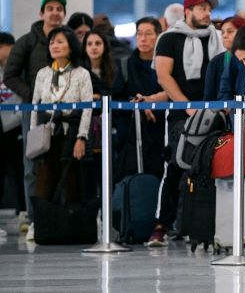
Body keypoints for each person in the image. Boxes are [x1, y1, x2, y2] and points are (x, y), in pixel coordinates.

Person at [147, 0, 224, 247]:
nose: (207, 13)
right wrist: (185, 105)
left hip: (213, 112)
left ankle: (206, 226)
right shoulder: (170, 38)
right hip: (182, 113)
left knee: (211, 167)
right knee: (176, 165)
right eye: (201, 8)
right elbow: (164, 76)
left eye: (209, 9)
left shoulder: (216, 38)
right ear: (187, 11)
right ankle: (161, 224)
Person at [3, 0, 66, 237]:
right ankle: (33, 217)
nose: (55, 13)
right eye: (50, 8)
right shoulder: (26, 42)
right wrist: (33, 96)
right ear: (42, 13)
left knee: (61, 162)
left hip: (64, 111)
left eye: (59, 9)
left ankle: (59, 214)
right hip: (34, 113)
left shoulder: (68, 39)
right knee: (32, 165)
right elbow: (10, 76)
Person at [30, 26, 93, 243]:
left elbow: (87, 108)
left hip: (70, 132)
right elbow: (35, 106)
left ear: (71, 46)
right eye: (52, 42)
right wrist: (33, 135)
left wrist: (81, 138)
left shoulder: (82, 73)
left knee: (71, 181)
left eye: (60, 41)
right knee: (43, 180)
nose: (55, 46)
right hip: (46, 133)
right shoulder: (43, 73)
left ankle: (71, 227)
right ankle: (41, 226)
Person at [111, 17, 168, 180]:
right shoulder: (126, 65)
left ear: (158, 36)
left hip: (161, 132)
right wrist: (136, 105)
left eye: (148, 34)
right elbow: (116, 98)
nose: (143, 38)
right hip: (132, 136)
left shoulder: (166, 65)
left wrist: (151, 103)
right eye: (139, 33)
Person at [81, 29, 115, 198]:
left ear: (105, 46)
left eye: (98, 43)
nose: (93, 47)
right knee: (88, 177)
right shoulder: (79, 71)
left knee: (108, 175)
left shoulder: (114, 70)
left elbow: (116, 95)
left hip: (110, 130)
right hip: (86, 130)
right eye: (89, 44)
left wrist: (98, 97)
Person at [0, 32, 24, 236]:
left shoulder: (19, 70)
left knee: (20, 171)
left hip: (16, 126)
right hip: (1, 127)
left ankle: (24, 213)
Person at [204, 16, 245, 101]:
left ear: (243, 33)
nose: (225, 36)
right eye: (222, 32)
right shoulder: (215, 62)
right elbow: (208, 97)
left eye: (230, 31)